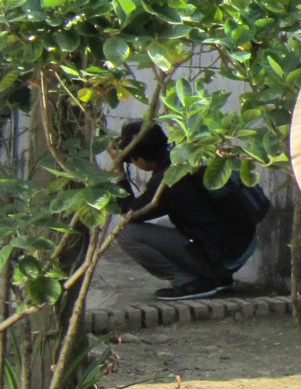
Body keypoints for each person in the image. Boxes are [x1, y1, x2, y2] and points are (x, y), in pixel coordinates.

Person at [113, 121, 267, 301]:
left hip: (225, 258)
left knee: (125, 232)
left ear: (140, 160)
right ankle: (220, 280)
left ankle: (189, 282)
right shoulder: (190, 155)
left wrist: (118, 171)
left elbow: (129, 213)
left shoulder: (168, 181)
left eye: (131, 159)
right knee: (183, 218)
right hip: (246, 243)